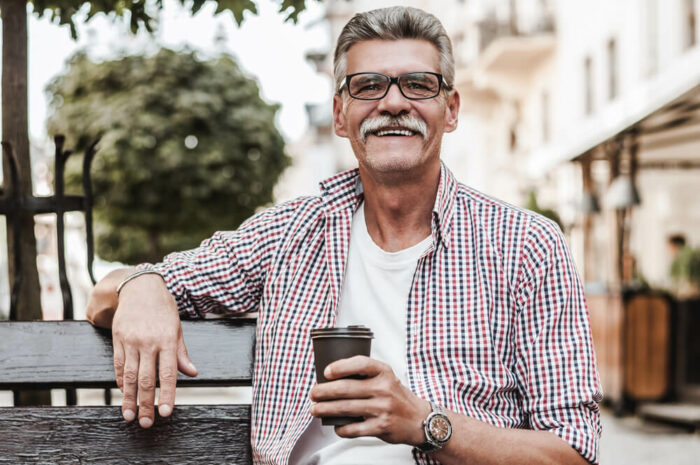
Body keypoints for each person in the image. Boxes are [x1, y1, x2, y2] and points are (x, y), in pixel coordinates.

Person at [86, 6, 602, 465]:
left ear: (452, 110)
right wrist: (144, 287)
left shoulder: (527, 245)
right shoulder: (288, 234)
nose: (393, 103)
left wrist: (427, 425)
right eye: (368, 86)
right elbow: (107, 292)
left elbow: (574, 451)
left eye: (418, 84)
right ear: (340, 114)